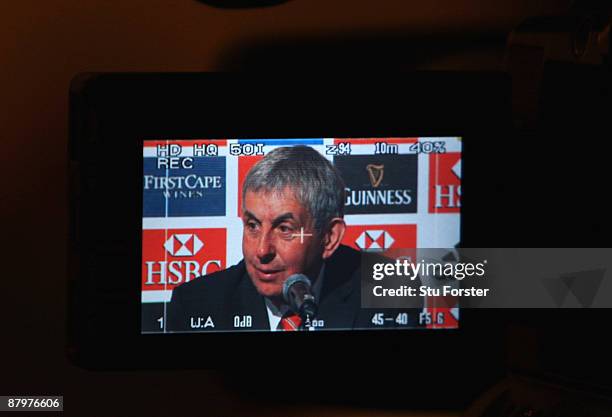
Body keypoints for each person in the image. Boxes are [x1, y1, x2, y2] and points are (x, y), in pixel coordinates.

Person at [167, 145, 368, 332]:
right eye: (253, 226)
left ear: (329, 237)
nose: (262, 251)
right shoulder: (195, 304)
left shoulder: (389, 288)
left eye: (284, 229)